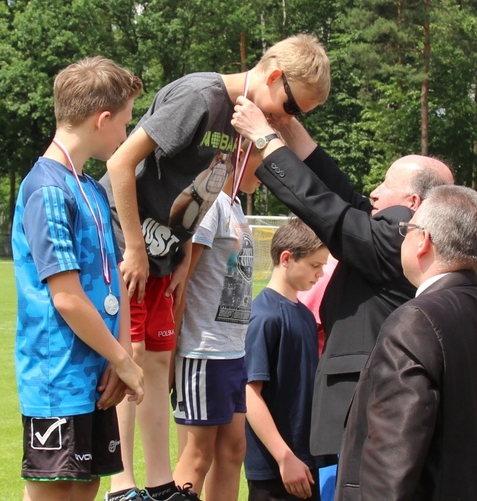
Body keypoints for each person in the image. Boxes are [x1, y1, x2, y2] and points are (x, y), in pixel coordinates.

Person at [99, 35, 330, 501]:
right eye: (290, 106)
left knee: (157, 363)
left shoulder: (243, 122)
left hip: (163, 254)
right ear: (272, 76)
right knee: (132, 359)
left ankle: (161, 484)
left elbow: (202, 191)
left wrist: (182, 253)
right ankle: (122, 484)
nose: (287, 119)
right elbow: (120, 162)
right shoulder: (201, 96)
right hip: (126, 245)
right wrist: (135, 249)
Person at [231, 102, 455, 459]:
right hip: (367, 421)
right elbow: (341, 194)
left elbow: (328, 209)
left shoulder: (399, 241)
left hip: (365, 423)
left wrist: (264, 138)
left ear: (413, 203)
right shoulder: (400, 238)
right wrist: (288, 125)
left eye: (386, 184)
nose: (374, 192)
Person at [335, 185, 477, 500]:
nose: (403, 237)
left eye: (406, 229)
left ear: (422, 240)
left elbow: (392, 458)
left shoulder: (415, 322)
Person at [11, 56, 145, 501]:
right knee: (55, 492)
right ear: (101, 119)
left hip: (97, 375)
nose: (126, 135)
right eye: (125, 124)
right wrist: (123, 362)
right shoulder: (47, 189)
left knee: (86, 486)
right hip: (57, 379)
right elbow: (66, 298)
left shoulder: (89, 187)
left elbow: (116, 279)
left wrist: (120, 353)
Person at [170, 145, 262, 500]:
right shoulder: (212, 207)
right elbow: (181, 282)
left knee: (233, 450)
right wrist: (170, 352)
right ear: (240, 158)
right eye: (261, 161)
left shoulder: (235, 206)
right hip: (202, 351)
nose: (266, 171)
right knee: (197, 456)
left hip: (232, 351)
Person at [244, 218, 331, 501]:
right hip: (275, 468)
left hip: (307, 460)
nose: (320, 274)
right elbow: (249, 394)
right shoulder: (264, 317)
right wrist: (284, 457)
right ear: (287, 258)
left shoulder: (305, 315)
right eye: (315, 265)